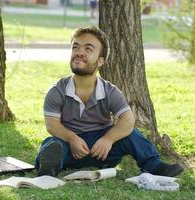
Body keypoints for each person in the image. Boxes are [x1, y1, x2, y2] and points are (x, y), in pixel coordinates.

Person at [35, 26, 184, 177]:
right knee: (53, 144)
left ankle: (155, 166)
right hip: (70, 149)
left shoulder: (110, 91)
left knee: (131, 135)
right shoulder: (57, 91)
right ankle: (48, 168)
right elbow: (52, 124)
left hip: (103, 151)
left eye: (88, 49)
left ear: (100, 61)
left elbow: (128, 120)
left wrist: (108, 139)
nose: (79, 53)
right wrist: (72, 138)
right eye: (76, 47)